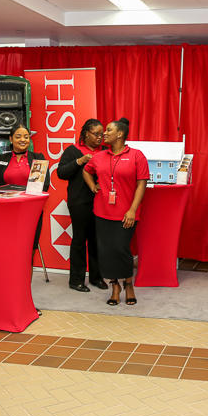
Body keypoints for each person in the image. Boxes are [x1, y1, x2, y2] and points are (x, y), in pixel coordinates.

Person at [83, 118, 149, 306]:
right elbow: (86, 171)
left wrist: (132, 210)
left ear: (120, 134)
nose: (104, 133)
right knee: (106, 251)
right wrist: (93, 187)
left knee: (121, 249)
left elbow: (141, 184)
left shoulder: (136, 156)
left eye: (109, 130)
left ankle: (128, 283)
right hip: (102, 212)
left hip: (126, 213)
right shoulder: (99, 156)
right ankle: (115, 286)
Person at [58, 119, 108, 292]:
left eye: (102, 135)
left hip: (101, 202)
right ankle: (76, 280)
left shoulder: (105, 152)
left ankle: (96, 277)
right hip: (79, 202)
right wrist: (79, 161)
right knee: (79, 240)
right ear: (86, 133)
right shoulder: (73, 151)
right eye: (96, 134)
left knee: (97, 240)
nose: (99, 138)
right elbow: (61, 173)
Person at [0, 124, 49, 250]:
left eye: (26, 137)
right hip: (6, 211)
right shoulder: (0, 158)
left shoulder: (38, 158)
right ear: (11, 139)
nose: (23, 140)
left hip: (30, 210)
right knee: (7, 245)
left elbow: (44, 186)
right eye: (18, 136)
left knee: (28, 245)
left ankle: (28, 264)